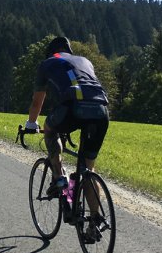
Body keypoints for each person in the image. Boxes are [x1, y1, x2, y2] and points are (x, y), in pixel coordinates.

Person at [24, 36, 110, 239]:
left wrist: (31, 124)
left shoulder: (47, 64)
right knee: (88, 168)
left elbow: (37, 103)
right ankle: (95, 222)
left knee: (50, 129)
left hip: (72, 107)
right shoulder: (85, 61)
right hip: (101, 110)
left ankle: (59, 177)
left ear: (50, 52)